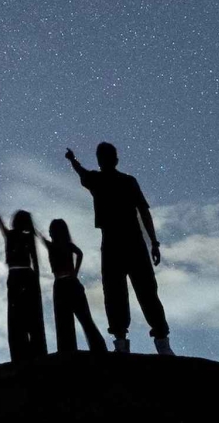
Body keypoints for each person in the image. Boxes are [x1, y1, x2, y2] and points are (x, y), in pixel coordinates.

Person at [64, 142, 173, 354]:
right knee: (124, 290)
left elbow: (143, 211)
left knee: (134, 290)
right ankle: (146, 341)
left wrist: (154, 242)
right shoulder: (120, 181)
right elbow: (144, 212)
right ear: (115, 159)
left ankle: (144, 341)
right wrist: (153, 242)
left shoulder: (113, 181)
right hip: (123, 241)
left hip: (124, 241)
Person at [40, 217, 107, 354]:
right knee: (84, 319)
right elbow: (80, 253)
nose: (50, 233)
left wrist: (75, 271)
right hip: (70, 283)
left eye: (51, 231)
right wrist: (75, 271)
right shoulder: (66, 245)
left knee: (65, 321)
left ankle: (68, 350)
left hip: (62, 284)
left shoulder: (54, 246)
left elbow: (80, 254)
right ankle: (98, 350)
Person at [0, 207, 47, 362]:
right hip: (24, 275)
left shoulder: (15, 236)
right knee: (29, 314)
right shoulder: (25, 237)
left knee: (17, 315)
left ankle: (21, 353)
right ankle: (32, 351)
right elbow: (34, 260)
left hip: (17, 275)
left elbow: (3, 228)